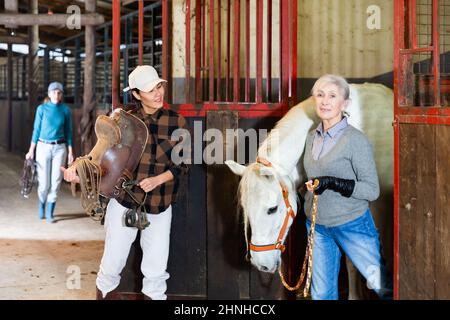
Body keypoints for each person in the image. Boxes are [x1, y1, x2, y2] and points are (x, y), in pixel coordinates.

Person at [63, 65, 189, 300]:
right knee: (112, 262)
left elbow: (183, 166)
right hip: (124, 202)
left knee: (156, 269)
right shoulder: (122, 120)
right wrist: (77, 172)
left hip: (160, 204)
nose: (158, 93)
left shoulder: (177, 122)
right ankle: (105, 293)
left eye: (159, 86)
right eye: (150, 89)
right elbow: (98, 156)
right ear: (136, 94)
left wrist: (157, 180)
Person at [303, 74, 392, 300]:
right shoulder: (311, 138)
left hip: (352, 224)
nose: (325, 101)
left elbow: (372, 190)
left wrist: (334, 183)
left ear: (345, 104)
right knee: (322, 294)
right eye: (320, 95)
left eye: (332, 96)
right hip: (318, 226)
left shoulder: (356, 140)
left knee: (381, 285)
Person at [25, 82, 73, 223]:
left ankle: (51, 212)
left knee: (56, 180)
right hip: (43, 146)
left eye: (59, 93)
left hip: (59, 148)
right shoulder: (42, 109)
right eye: (54, 92)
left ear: (61, 94)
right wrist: (31, 151)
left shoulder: (65, 110)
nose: (56, 95)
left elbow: (68, 132)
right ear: (49, 93)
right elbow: (36, 130)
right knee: (44, 181)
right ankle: (42, 206)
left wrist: (70, 152)